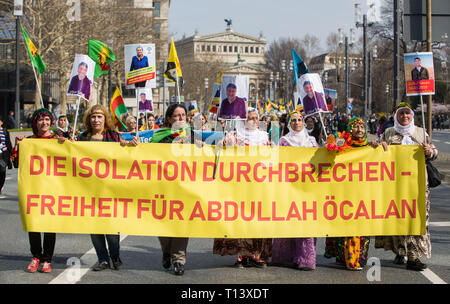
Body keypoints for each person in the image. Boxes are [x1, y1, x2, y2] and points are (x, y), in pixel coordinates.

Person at [373, 102, 438, 271]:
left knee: (416, 219)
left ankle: (413, 256)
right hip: (395, 185)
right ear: (396, 116)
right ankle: (400, 250)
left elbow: (434, 153)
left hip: (417, 185)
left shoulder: (420, 133)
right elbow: (376, 153)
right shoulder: (389, 132)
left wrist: (429, 151)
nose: (404, 117)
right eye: (401, 114)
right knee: (398, 218)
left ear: (411, 115)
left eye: (407, 114)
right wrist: (379, 147)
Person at [77, 105, 138, 271]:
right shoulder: (82, 137)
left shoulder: (113, 136)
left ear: (105, 119)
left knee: (111, 228)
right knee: (94, 228)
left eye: (99, 116)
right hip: (89, 190)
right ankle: (102, 259)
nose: (96, 120)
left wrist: (130, 144)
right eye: (93, 117)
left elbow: (128, 155)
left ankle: (115, 256)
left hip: (111, 190)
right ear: (89, 119)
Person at [213, 108, 272, 268]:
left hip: (259, 185)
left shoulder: (264, 137)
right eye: (250, 118)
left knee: (258, 219)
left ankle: (258, 255)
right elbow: (220, 149)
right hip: (239, 186)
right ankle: (241, 255)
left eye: (255, 118)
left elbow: (271, 158)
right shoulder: (234, 136)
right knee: (240, 219)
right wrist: (220, 142)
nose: (253, 121)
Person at [150, 103, 200, 276]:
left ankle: (179, 259)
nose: (180, 119)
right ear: (169, 119)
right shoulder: (159, 136)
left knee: (181, 224)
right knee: (164, 225)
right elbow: (149, 156)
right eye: (177, 116)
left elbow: (203, 156)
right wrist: (172, 143)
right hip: (163, 187)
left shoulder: (192, 136)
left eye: (183, 115)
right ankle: (166, 250)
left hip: (184, 187)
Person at [15, 109, 62, 273]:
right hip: (33, 189)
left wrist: (68, 144)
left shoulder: (57, 140)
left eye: (47, 119)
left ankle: (47, 259)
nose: (44, 123)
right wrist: (19, 146)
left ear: (51, 122)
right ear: (35, 122)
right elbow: (16, 164)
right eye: (41, 119)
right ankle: (36, 256)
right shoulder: (29, 141)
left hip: (52, 188)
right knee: (33, 223)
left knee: (50, 224)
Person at [272, 111, 318, 270]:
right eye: (293, 121)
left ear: (303, 123)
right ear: (289, 124)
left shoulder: (311, 141)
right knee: (289, 218)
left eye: (299, 120)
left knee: (305, 221)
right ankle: (286, 256)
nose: (297, 123)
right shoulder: (284, 141)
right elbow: (277, 161)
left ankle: (305, 258)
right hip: (289, 187)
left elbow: (319, 162)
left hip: (307, 188)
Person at [324, 117, 371, 271]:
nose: (359, 130)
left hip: (362, 193)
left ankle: (358, 257)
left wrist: (380, 147)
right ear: (350, 129)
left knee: (360, 227)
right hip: (345, 192)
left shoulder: (369, 147)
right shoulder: (343, 144)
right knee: (346, 227)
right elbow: (330, 151)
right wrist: (331, 142)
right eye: (356, 127)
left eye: (361, 127)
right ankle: (346, 257)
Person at [0, 116, 12, 195]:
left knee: (2, 172)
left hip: (3, 155)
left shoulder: (4, 131)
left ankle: (0, 186)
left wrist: (10, 155)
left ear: (1, 122)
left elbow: (8, 144)